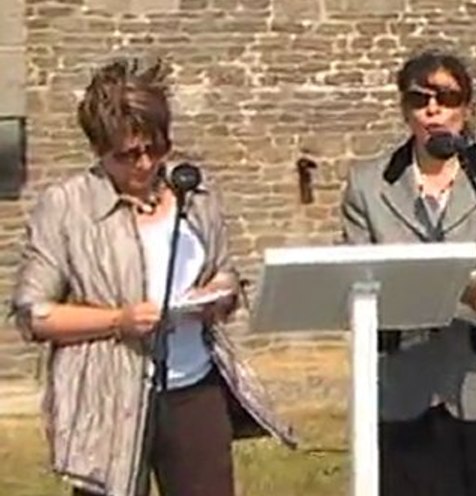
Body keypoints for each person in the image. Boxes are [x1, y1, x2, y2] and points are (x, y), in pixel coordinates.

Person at [10, 57, 296, 496]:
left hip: (194, 388)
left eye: (156, 148)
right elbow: (35, 315)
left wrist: (219, 296)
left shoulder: (194, 193)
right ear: (99, 149)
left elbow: (225, 272)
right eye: (127, 155)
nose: (145, 163)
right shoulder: (66, 207)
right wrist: (118, 321)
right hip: (109, 397)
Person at [340, 49, 476, 496]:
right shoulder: (367, 185)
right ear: (405, 110)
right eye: (419, 99)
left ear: (467, 107)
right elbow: (357, 277)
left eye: (447, 97)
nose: (433, 110)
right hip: (406, 385)